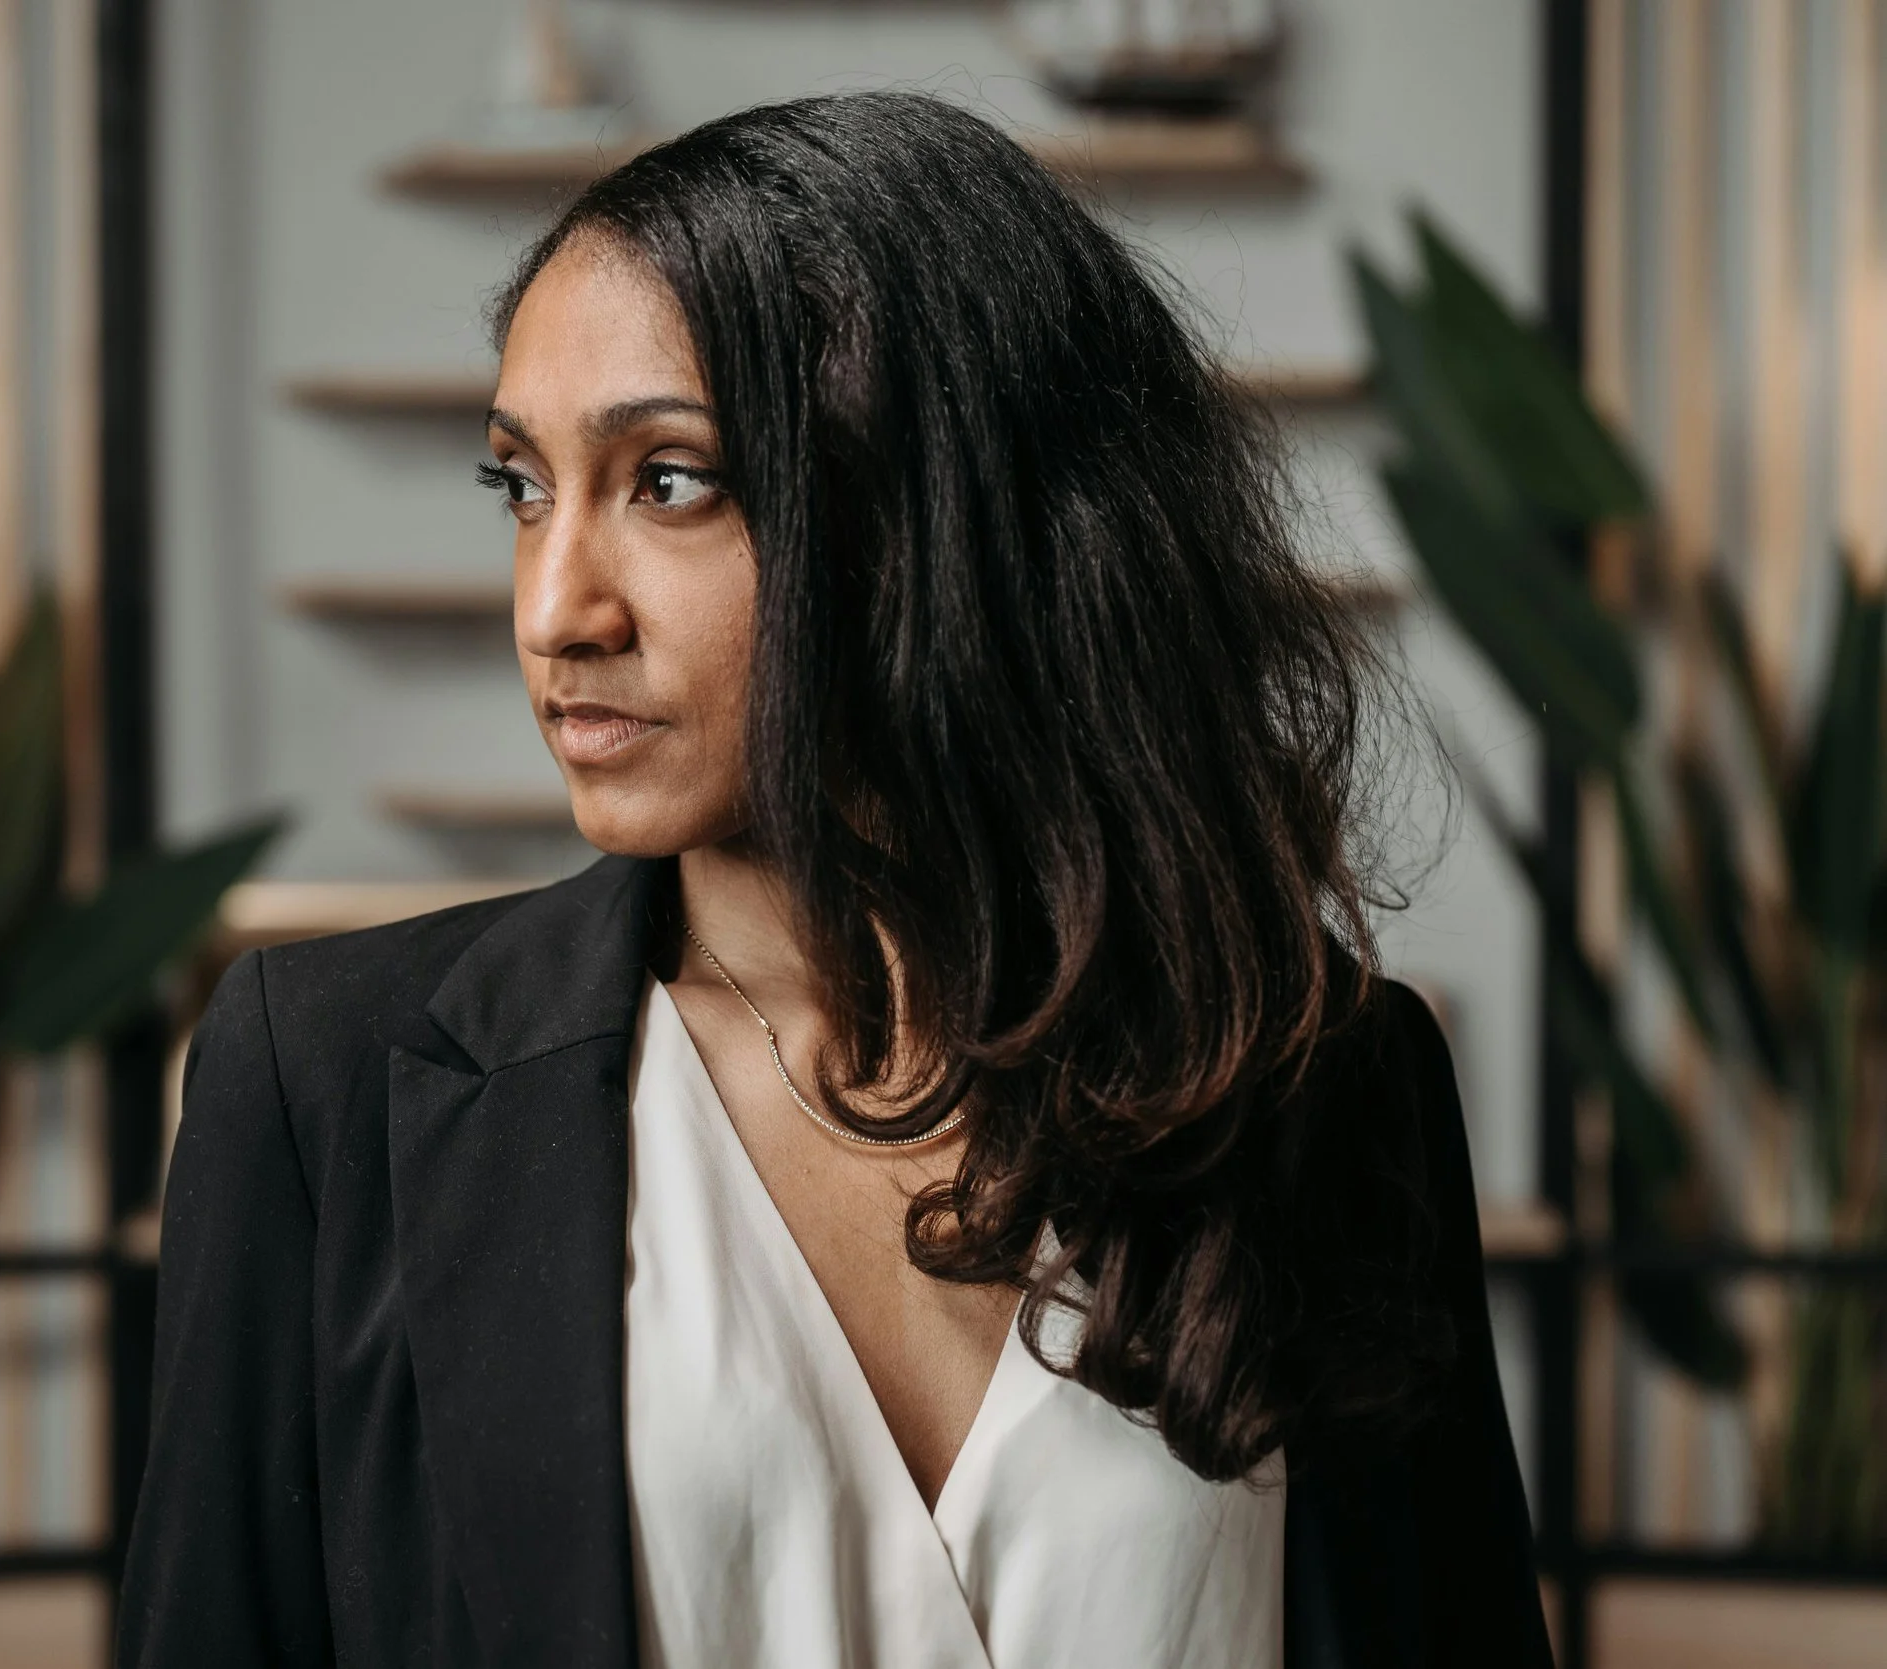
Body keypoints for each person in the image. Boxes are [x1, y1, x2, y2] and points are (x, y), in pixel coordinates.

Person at [119, 91, 1551, 1668]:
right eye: (522, 486)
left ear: (945, 517)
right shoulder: (326, 1094)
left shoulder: (1317, 1086)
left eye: (669, 480)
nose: (556, 606)